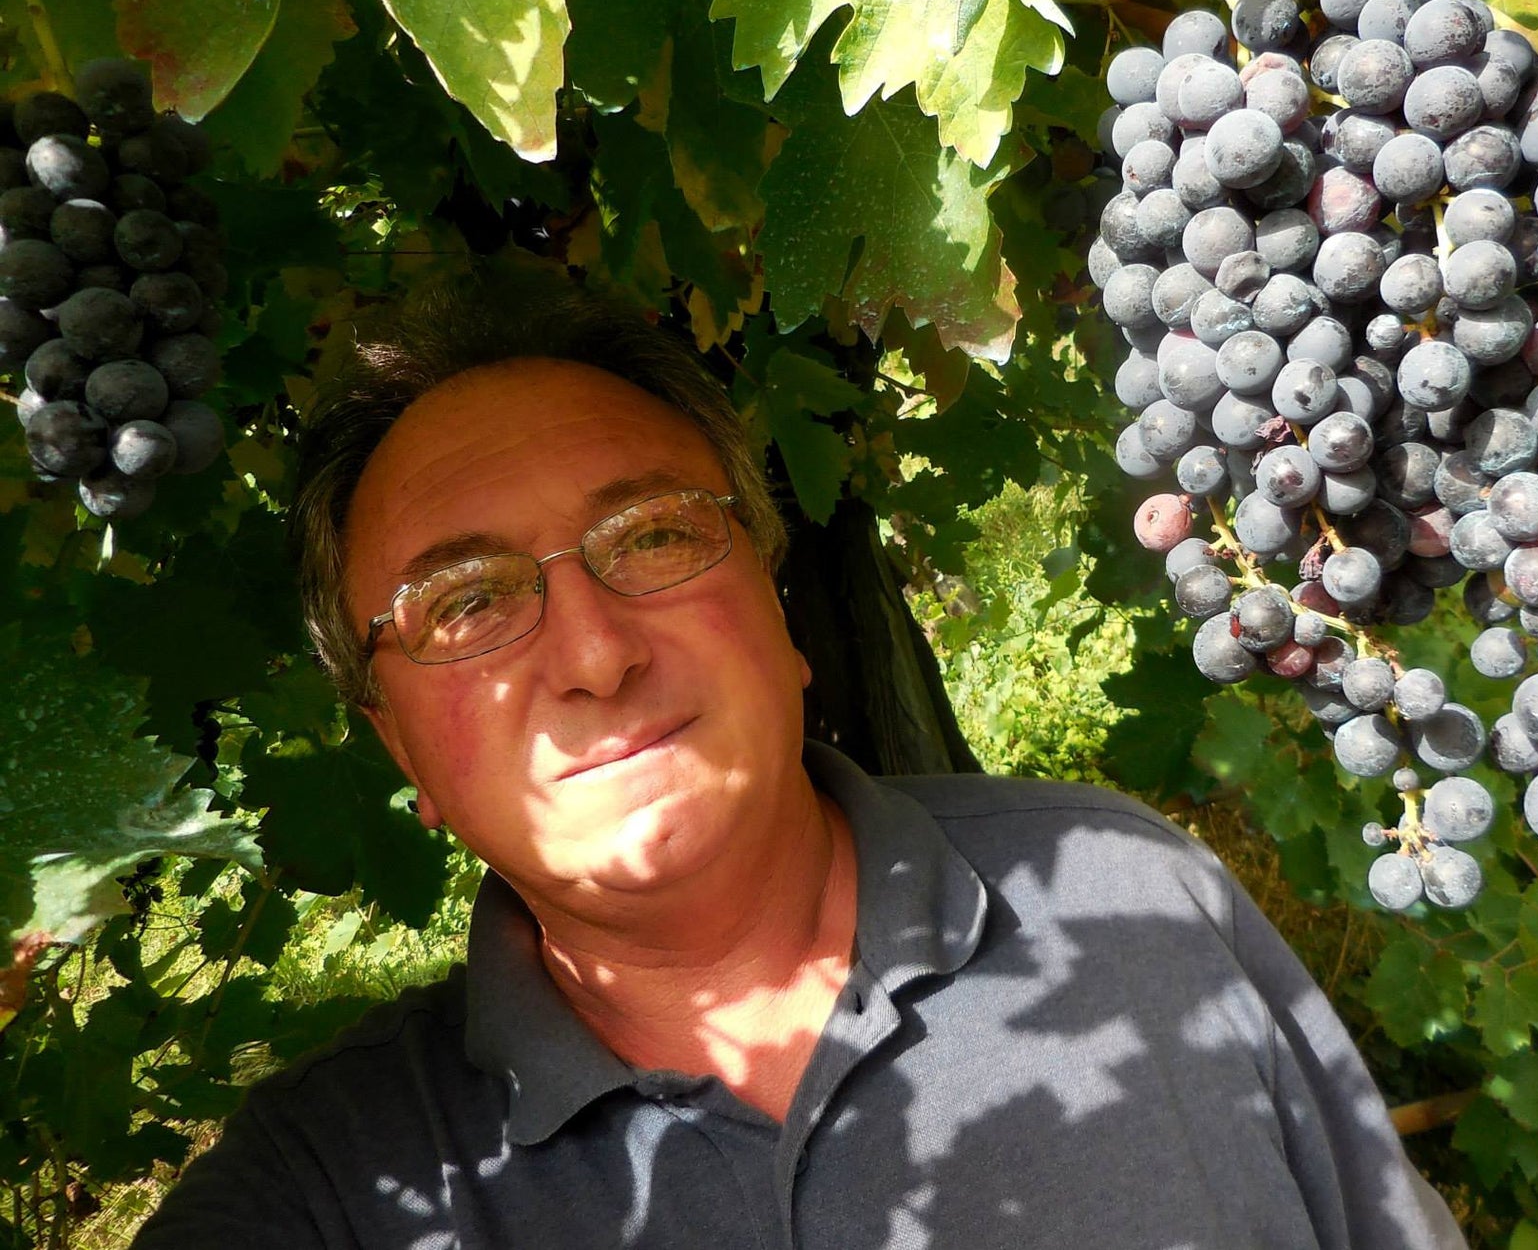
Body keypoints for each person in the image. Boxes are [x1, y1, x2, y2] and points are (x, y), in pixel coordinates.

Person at [134, 274, 1466, 1249]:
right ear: (400, 748)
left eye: (653, 536)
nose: (593, 653)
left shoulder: (1130, 897)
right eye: (465, 603)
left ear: (777, 606)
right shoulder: (327, 1191)